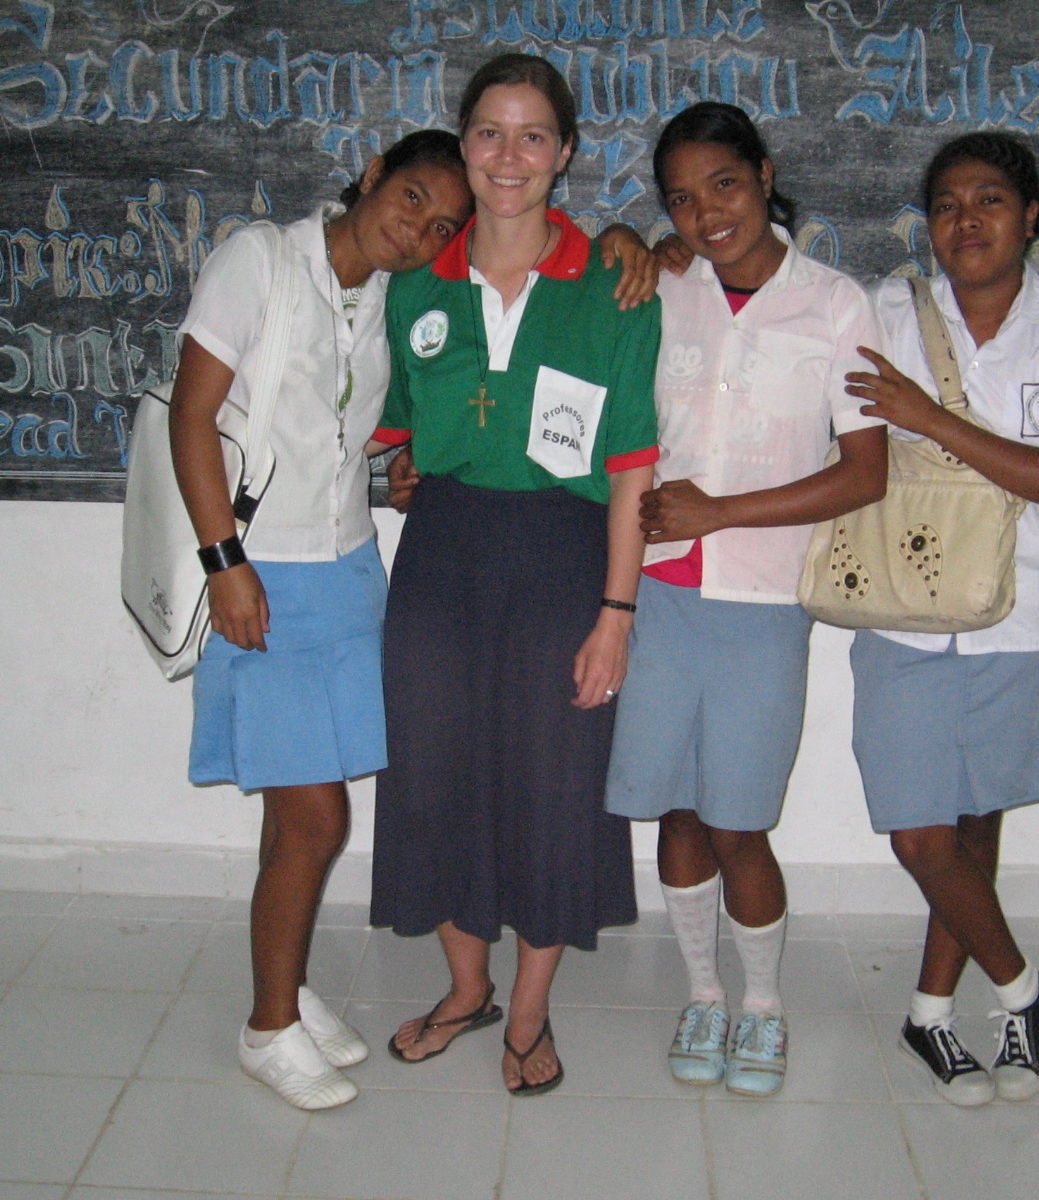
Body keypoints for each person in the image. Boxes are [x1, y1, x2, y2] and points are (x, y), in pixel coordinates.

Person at [369, 53, 662, 1098]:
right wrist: (402, 467)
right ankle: (464, 989)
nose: (508, 156)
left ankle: (528, 1012)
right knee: (433, 773)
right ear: (462, 144)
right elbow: (387, 426)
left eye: (532, 135)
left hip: (562, 554)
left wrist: (616, 612)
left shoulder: (616, 285)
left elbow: (631, 467)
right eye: (488, 132)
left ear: (566, 154)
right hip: (442, 551)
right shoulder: (411, 284)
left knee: (553, 782)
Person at [168, 130, 473, 1110]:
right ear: (373, 173)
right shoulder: (258, 259)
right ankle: (266, 1029)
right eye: (411, 197)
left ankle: (287, 990)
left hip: (349, 570)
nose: (418, 229)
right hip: (265, 574)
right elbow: (191, 414)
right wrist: (225, 563)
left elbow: (345, 435)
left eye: (441, 225)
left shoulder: (388, 297)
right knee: (316, 818)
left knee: (304, 811)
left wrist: (400, 472)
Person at [604, 102, 888, 1098]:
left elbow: (863, 472)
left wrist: (720, 512)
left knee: (738, 821)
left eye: (722, 185)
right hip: (657, 597)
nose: (703, 213)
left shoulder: (834, 304)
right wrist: (624, 238)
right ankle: (701, 994)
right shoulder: (664, 286)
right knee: (675, 813)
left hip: (761, 601)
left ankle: (761, 1006)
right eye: (678, 198)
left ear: (764, 177)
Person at [843, 130, 1039, 1106]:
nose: (966, 219)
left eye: (989, 199)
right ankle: (1024, 988)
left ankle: (929, 1013)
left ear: (1030, 214)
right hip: (904, 610)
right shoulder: (885, 312)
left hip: (1017, 613)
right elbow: (784, 313)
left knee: (974, 827)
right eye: (947, 203)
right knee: (920, 836)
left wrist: (929, 418)